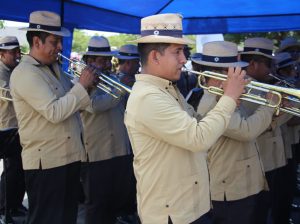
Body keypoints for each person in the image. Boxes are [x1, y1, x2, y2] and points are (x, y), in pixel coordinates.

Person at [124, 13, 247, 224]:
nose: (184, 59)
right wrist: (228, 99)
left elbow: (195, 123)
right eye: (178, 52)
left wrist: (223, 101)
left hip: (187, 207)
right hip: (173, 213)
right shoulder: (148, 97)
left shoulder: (166, 88)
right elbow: (198, 138)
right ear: (155, 56)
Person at [10, 11, 97, 224]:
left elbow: (74, 102)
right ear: (37, 41)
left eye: (60, 41)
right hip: (46, 164)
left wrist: (90, 87)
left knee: (66, 218)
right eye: (55, 41)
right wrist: (81, 86)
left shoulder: (54, 68)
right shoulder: (25, 73)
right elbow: (55, 112)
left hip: (67, 157)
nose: (60, 47)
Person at [195, 40, 275, 224]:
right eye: (235, 71)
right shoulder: (214, 102)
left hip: (240, 184)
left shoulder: (224, 97)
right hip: (230, 189)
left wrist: (274, 113)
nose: (242, 75)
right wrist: (269, 106)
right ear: (220, 74)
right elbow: (246, 131)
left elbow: (249, 124)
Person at [80, 36, 136, 224]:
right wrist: (121, 90)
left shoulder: (112, 78)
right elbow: (94, 106)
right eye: (100, 60)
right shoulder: (79, 81)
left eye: (106, 60)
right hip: (97, 152)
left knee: (115, 200)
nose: (105, 64)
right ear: (89, 61)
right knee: (97, 204)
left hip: (120, 148)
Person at [240, 37, 292, 224]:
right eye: (268, 64)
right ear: (252, 64)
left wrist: (283, 106)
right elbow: (253, 125)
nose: (270, 69)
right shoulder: (247, 87)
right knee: (259, 212)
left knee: (269, 208)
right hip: (259, 159)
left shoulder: (263, 86)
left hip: (271, 159)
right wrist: (277, 109)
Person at [0, 36, 26, 223]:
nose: (18, 55)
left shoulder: (14, 70)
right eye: (13, 52)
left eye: (18, 51)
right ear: (1, 54)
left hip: (19, 126)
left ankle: (16, 204)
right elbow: (10, 94)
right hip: (6, 127)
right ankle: (4, 207)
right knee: (11, 170)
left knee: (20, 168)